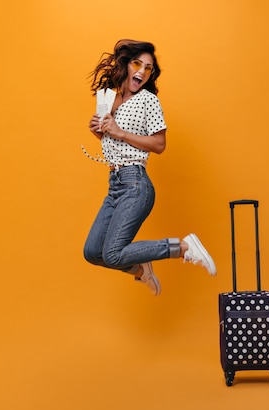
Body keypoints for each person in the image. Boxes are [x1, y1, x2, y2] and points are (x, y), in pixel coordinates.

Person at [82, 39, 216, 296]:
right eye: (137, 64)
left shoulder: (148, 101)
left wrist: (119, 132)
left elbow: (159, 144)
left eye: (148, 68)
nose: (142, 72)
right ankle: (141, 269)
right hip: (115, 185)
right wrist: (100, 133)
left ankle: (184, 247)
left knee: (112, 253)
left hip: (135, 184)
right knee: (93, 252)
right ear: (126, 65)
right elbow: (114, 141)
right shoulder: (110, 98)